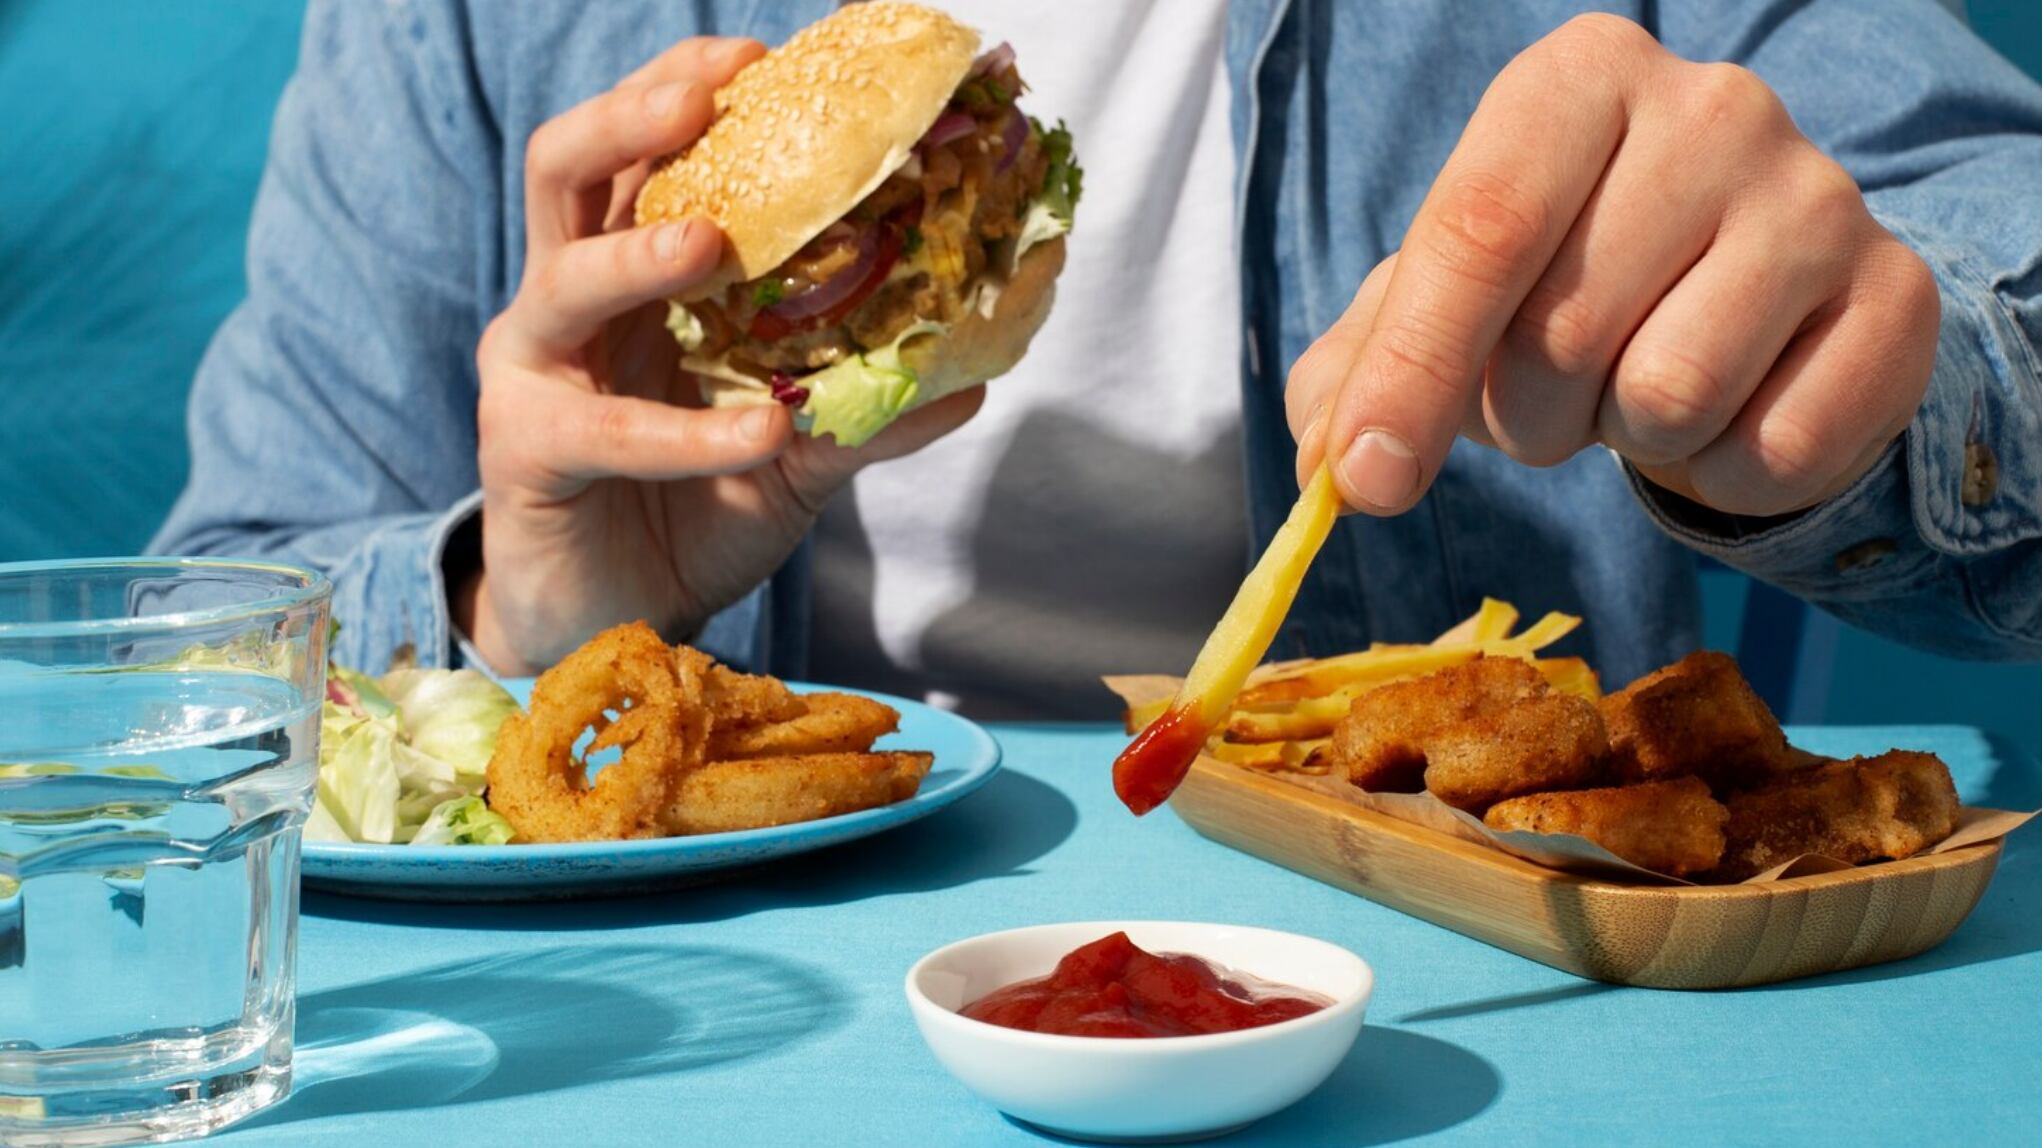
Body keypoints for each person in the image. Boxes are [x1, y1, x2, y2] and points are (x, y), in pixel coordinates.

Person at [153, 1, 2042, 719]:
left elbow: (1992, 248)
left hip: (1476, 977)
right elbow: (197, 633)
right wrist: (525, 604)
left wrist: (1865, 373)